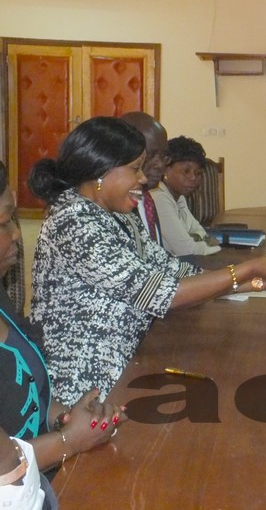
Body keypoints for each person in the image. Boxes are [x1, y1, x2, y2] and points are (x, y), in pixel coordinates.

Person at [28, 116, 266, 406]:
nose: (143, 179)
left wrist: (256, 283)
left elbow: (174, 269)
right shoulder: (73, 222)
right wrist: (249, 267)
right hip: (85, 388)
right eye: (135, 169)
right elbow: (157, 292)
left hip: (128, 361)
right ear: (101, 172)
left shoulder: (117, 215)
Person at [0, 161, 125, 509]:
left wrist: (64, 416)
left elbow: (21, 386)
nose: (15, 234)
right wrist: (68, 441)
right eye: (4, 221)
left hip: (41, 479)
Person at [150, 136, 221, 256]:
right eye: (186, 171)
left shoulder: (179, 197)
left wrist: (195, 240)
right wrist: (218, 248)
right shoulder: (159, 198)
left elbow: (201, 232)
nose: (193, 178)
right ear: (165, 169)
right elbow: (188, 250)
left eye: (198, 173)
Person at [120, 111, 168, 245]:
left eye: (163, 155)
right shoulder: (116, 206)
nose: (160, 164)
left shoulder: (145, 199)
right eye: (151, 155)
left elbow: (158, 257)